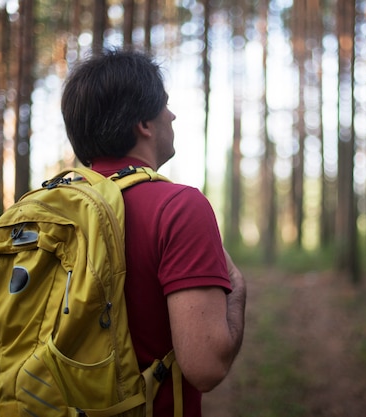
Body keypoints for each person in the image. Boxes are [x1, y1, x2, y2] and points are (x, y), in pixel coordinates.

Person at [60, 49, 246, 417]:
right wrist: (238, 292)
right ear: (144, 124)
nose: (172, 115)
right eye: (165, 105)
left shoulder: (53, 209)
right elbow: (206, 366)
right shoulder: (177, 206)